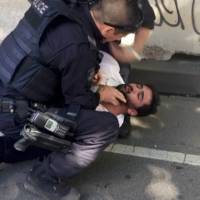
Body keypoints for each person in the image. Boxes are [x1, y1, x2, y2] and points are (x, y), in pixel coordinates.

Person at [0, 0, 147, 199]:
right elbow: (79, 101)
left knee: (57, 133)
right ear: (109, 29)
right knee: (102, 127)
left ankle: (7, 149)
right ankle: (42, 178)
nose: (119, 41)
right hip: (14, 111)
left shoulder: (68, 5)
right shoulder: (80, 46)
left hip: (10, 87)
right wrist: (100, 92)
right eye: (121, 36)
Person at [93, 51, 159, 128]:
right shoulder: (111, 66)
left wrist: (97, 91)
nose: (134, 88)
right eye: (138, 86)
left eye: (139, 96)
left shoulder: (106, 126)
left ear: (132, 111)